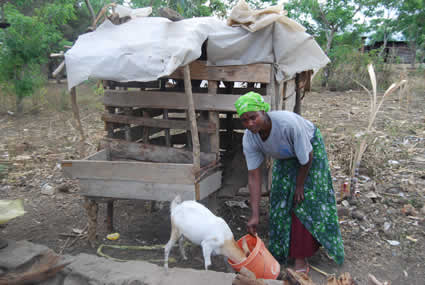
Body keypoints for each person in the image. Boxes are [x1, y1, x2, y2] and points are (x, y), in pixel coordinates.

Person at [234, 92, 344, 272]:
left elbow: (306, 157)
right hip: (285, 156)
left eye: (253, 117)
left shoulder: (287, 124)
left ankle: (301, 258)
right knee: (280, 200)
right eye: (244, 120)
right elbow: (254, 176)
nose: (250, 124)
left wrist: (300, 185)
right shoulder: (250, 137)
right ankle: (283, 250)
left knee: (303, 201)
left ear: (263, 111)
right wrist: (255, 214)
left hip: (309, 150)